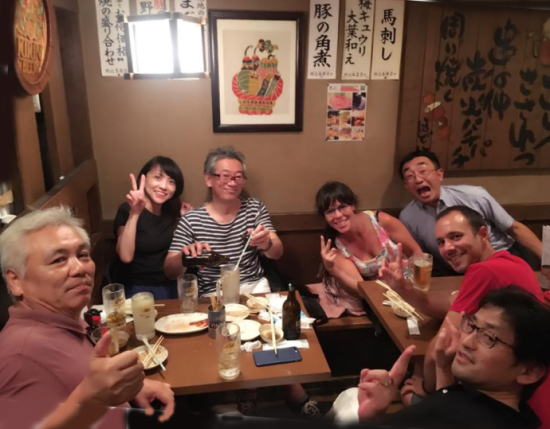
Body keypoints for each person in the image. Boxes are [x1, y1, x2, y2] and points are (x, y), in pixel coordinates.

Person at [0, 206, 175, 428]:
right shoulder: (19, 355)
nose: (79, 269)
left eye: (83, 255)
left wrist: (131, 389)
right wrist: (92, 398)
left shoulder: (67, 323)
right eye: (58, 260)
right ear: (15, 280)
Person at [379, 205, 548, 425]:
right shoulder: (515, 262)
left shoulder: (483, 271)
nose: (447, 248)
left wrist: (425, 389)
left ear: (483, 234)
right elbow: (449, 307)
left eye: (456, 236)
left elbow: (439, 349)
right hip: (527, 388)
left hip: (520, 403)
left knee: (411, 393)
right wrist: (403, 289)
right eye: (441, 242)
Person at [331, 286, 550, 429]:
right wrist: (374, 417)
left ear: (529, 371)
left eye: (489, 338)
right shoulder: (479, 400)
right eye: (472, 326)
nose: (466, 342)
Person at [398, 149, 543, 276]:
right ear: (406, 185)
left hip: (504, 258)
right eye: (410, 176)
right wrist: (404, 282)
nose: (418, 179)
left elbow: (514, 228)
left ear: (439, 174)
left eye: (423, 171)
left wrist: (547, 259)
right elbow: (414, 254)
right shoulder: (408, 217)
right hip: (457, 270)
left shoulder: (474, 195)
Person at [164, 146, 283, 296]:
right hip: (213, 293)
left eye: (238, 177)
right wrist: (184, 258)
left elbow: (278, 252)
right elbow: (170, 271)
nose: (232, 183)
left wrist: (266, 243)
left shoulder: (254, 208)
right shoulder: (191, 220)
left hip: (253, 287)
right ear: (208, 179)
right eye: (225, 176)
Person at [314, 181, 422, 317]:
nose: (338, 215)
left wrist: (416, 288)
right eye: (330, 211)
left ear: (353, 205)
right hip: (380, 299)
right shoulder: (337, 248)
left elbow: (418, 253)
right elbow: (360, 289)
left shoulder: (381, 220)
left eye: (342, 207)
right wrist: (332, 270)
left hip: (412, 287)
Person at [114, 156, 191, 299]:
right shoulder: (127, 209)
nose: (164, 186)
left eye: (171, 182)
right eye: (158, 177)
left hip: (172, 285)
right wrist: (135, 213)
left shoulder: (173, 210)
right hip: (138, 289)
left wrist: (184, 220)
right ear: (144, 178)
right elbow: (125, 256)